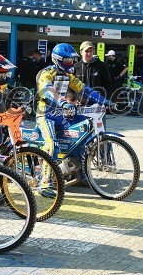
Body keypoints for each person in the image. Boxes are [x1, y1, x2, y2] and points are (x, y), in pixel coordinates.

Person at [36, 43, 111, 192]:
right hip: (46, 115)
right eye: (68, 61)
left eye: (72, 61)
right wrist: (63, 102)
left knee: (83, 136)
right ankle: (44, 183)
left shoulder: (68, 76)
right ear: (58, 60)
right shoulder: (47, 73)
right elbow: (47, 90)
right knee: (52, 145)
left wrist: (105, 101)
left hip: (63, 114)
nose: (71, 64)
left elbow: (85, 89)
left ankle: (80, 173)